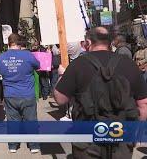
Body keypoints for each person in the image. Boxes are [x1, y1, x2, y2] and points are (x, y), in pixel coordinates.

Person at [54, 27, 147, 158]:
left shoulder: (77, 64)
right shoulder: (129, 64)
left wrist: (61, 76)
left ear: (88, 42)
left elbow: (60, 99)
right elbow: (143, 104)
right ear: (110, 42)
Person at [0, 33, 40, 154]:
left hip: (10, 94)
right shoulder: (27, 55)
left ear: (8, 44)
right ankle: (33, 145)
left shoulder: (1, 57)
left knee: (12, 121)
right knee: (30, 120)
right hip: (27, 93)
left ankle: (13, 145)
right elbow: (38, 66)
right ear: (19, 44)